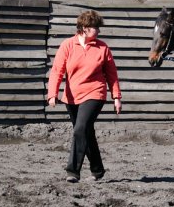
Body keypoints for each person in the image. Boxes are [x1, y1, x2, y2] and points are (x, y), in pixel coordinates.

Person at [47, 10, 122, 183]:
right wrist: (53, 93)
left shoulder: (102, 48)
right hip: (72, 96)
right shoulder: (67, 45)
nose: (99, 31)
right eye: (96, 27)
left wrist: (116, 97)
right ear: (84, 28)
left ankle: (72, 171)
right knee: (86, 133)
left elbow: (112, 75)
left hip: (95, 93)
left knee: (79, 129)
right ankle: (98, 170)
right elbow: (57, 70)